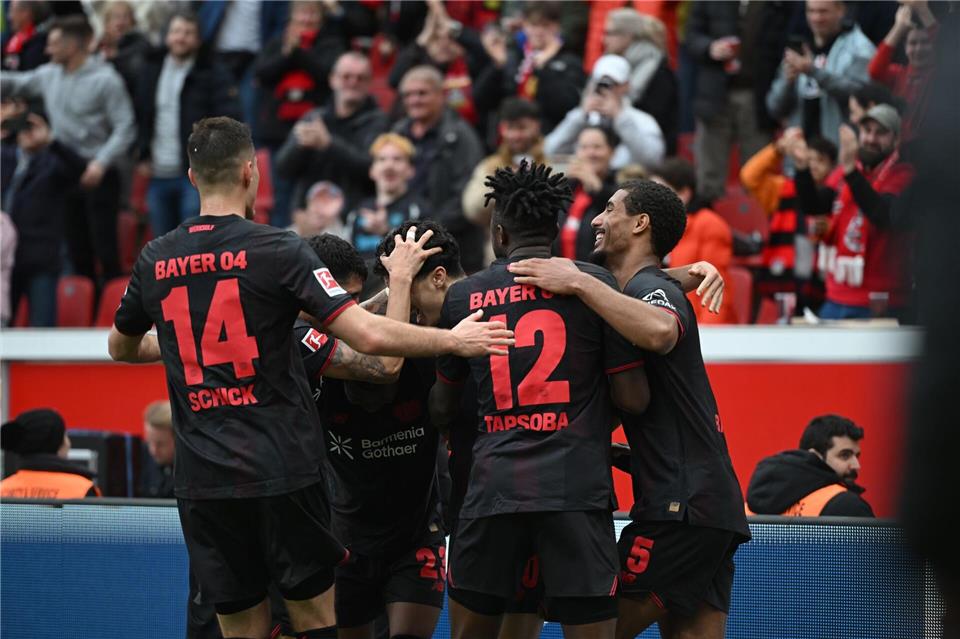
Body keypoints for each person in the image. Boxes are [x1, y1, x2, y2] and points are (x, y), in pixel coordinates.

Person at [106, 116, 512, 639]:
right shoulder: (278, 249)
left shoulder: (155, 257)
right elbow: (374, 345)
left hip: (203, 481)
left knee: (241, 628)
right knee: (316, 620)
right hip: (282, 472)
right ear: (251, 172)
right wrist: (454, 340)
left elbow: (120, 347)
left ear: (190, 176)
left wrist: (199, 350)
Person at [507, 179, 750, 639]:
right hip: (706, 507)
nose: (596, 219)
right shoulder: (641, 286)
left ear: (640, 224)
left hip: (682, 509)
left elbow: (660, 330)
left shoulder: (648, 287)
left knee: (598, 631)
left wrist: (577, 281)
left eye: (610, 209)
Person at [431, 161, 650, 639]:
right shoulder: (594, 288)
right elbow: (633, 398)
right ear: (554, 230)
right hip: (576, 489)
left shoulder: (463, 296)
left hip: (493, 490)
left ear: (499, 232)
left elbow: (442, 409)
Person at [296, 229, 451, 639]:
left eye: (354, 301)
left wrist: (395, 288)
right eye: (339, 302)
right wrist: (397, 282)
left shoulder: (418, 346)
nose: (350, 314)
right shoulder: (301, 349)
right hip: (344, 542)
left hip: (416, 537)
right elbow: (384, 366)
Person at [0, 14, 136, 286]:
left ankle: (115, 320)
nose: (47, 50)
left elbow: (126, 127)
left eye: (53, 44)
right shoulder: (49, 74)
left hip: (99, 173)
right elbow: (15, 82)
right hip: (64, 169)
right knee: (76, 253)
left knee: (105, 251)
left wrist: (101, 163)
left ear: (73, 46)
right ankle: (83, 323)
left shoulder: (106, 80)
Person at [135, 11, 241, 237]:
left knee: (195, 243)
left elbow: (231, 117)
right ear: (167, 36)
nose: (180, 38)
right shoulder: (150, 69)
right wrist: (142, 154)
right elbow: (141, 115)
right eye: (176, 32)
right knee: (163, 246)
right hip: (158, 173)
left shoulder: (213, 72)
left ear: (198, 39)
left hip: (196, 175)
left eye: (187, 33)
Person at [809, 105, 914, 320]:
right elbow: (816, 206)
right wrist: (802, 169)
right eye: (867, 131)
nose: (871, 139)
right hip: (836, 297)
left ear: (896, 140)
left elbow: (882, 215)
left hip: (882, 302)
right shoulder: (844, 172)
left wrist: (850, 171)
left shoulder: (904, 175)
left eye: (881, 133)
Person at [254, 0, 345, 227]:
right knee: (281, 193)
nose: (306, 20)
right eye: (301, 15)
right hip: (279, 132)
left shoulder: (330, 44)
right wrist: (287, 53)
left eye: (312, 15)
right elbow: (262, 73)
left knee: (315, 191)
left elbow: (326, 74)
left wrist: (297, 52)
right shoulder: (278, 43)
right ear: (291, 19)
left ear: (321, 19)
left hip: (317, 131)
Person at [393, 66, 485, 273]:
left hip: (454, 248)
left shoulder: (461, 135)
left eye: (422, 93)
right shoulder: (398, 132)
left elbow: (466, 195)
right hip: (408, 243)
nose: (414, 100)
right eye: (408, 94)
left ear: (441, 95)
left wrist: (427, 232)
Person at [1, 108, 87, 327]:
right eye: (23, 126)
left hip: (41, 261)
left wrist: (50, 140)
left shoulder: (53, 164)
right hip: (5, 261)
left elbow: (79, 169)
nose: (27, 133)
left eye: (33, 127)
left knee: (42, 330)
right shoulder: (7, 157)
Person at [275, 51, 388, 215]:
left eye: (360, 78)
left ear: (370, 82)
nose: (353, 82)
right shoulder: (313, 118)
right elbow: (282, 169)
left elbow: (372, 169)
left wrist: (328, 144)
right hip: (309, 215)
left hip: (353, 217)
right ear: (332, 79)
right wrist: (300, 146)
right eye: (346, 76)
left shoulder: (379, 122)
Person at [684, 0, 775, 204]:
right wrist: (709, 47)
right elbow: (691, 36)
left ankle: (761, 228)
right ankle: (709, 225)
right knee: (709, 175)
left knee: (757, 172)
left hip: (756, 95)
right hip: (714, 93)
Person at [740, 128, 837, 310]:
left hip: (821, 287)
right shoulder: (782, 188)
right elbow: (749, 176)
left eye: (821, 161)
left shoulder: (836, 196)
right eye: (810, 159)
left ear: (832, 168)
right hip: (782, 281)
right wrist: (778, 149)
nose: (813, 165)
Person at [766, 0, 875, 145]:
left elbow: (860, 95)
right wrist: (788, 82)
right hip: (801, 157)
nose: (816, 18)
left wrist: (813, 71)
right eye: (811, 11)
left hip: (839, 155)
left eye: (823, 12)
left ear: (840, 10)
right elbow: (774, 108)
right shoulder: (799, 49)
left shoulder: (860, 48)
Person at [473, 1, 585, 134]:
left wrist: (543, 68)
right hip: (508, 138)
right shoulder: (513, 55)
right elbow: (480, 100)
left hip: (545, 140)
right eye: (533, 25)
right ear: (524, 26)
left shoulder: (569, 62)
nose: (538, 31)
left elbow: (566, 108)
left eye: (545, 26)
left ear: (557, 27)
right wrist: (497, 66)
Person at [650, 158, 737, 324]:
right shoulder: (650, 227)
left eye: (659, 191)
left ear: (683, 193)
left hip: (697, 328)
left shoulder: (710, 224)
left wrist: (707, 337)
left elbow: (715, 288)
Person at [463, 98, 547, 267]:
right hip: (501, 256)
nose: (515, 135)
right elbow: (471, 209)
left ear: (536, 126)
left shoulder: (552, 162)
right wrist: (506, 186)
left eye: (522, 128)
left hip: (547, 253)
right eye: (510, 128)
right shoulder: (491, 166)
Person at [545, 54, 664, 171]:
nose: (605, 89)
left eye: (613, 83)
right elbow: (548, 151)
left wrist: (620, 117)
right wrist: (581, 116)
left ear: (626, 86)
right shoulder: (580, 116)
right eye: (599, 83)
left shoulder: (642, 120)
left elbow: (653, 160)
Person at [746, 414, 873, 517]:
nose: (856, 465)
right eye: (844, 455)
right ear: (814, 456)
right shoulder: (849, 506)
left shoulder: (749, 506)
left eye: (857, 456)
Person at [348, 133, 424, 294]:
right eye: (382, 159)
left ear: (410, 170)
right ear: (372, 170)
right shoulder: (357, 212)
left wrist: (385, 231)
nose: (389, 165)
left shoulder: (418, 209)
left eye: (397, 159)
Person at [602, 8, 677, 155]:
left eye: (609, 33)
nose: (603, 39)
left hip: (646, 157)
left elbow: (656, 122)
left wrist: (617, 110)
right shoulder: (609, 65)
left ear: (628, 35)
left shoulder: (658, 72)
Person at [868, 0, 937, 144]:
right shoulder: (899, 74)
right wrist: (899, 28)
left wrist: (923, 11)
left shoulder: (941, 73)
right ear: (905, 48)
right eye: (913, 43)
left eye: (925, 43)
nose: (919, 49)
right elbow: (875, 71)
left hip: (932, 143)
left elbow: (944, 46)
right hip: (901, 143)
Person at [1, 408, 101, 499]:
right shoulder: (83, 489)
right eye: (65, 436)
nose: (68, 443)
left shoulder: (2, 490)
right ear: (56, 442)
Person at [555, 125, 620, 262]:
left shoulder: (621, 188)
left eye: (597, 147)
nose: (590, 153)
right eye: (584, 147)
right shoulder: (565, 188)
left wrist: (596, 186)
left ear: (612, 151)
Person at [2, 0, 51, 72]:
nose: (9, 17)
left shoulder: (40, 43)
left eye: (12, 11)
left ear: (26, 13)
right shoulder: (8, 39)